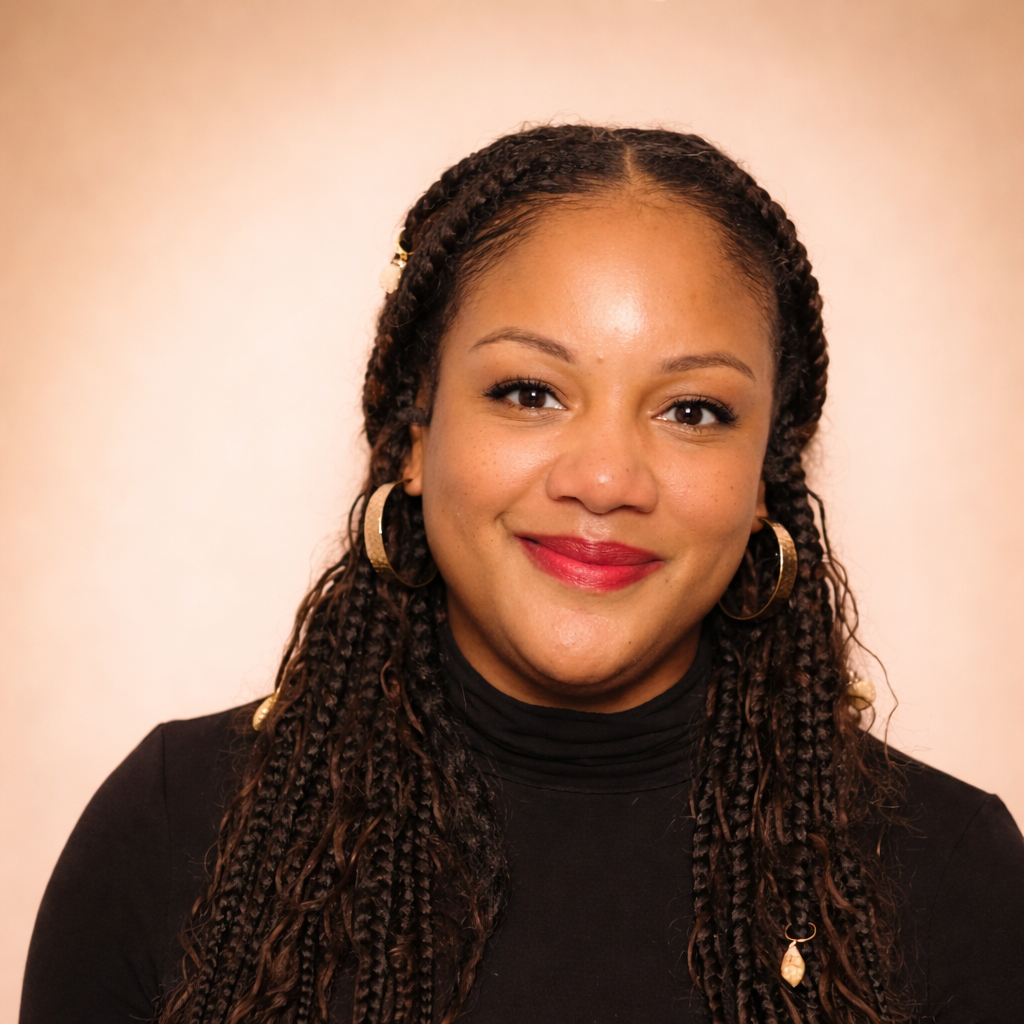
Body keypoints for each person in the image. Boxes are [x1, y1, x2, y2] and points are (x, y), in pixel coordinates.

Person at [20, 125, 1024, 1024]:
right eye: (530, 391)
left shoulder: (953, 870)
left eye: (693, 410)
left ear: (767, 475)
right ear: (415, 434)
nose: (605, 479)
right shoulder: (174, 824)